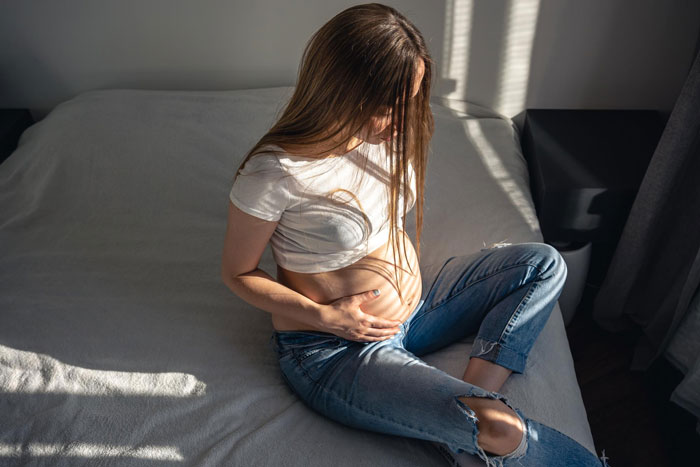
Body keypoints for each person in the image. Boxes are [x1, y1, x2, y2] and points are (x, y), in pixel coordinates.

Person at [221, 3, 611, 466]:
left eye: (411, 98)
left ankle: (466, 396)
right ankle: (471, 420)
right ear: (344, 90)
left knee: (543, 264)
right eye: (390, 104)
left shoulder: (390, 137)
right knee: (502, 430)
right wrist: (323, 317)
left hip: (418, 312)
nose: (404, 117)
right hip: (337, 350)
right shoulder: (277, 172)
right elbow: (238, 273)